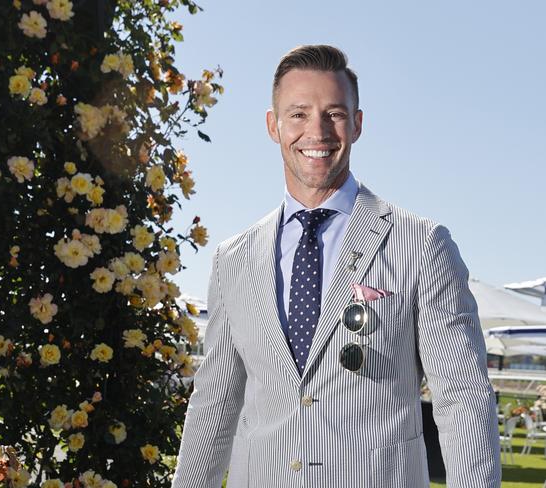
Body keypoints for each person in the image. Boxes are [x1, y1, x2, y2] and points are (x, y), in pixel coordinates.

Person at [172, 45, 500, 487]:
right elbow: (214, 404)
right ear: (273, 126)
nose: (317, 131)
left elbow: (463, 401)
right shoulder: (233, 260)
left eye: (334, 114)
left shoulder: (423, 246)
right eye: (299, 114)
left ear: (358, 123)